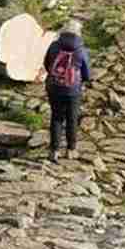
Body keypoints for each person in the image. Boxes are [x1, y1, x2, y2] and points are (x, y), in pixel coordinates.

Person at [42, 19, 93, 162]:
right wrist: (78, 81)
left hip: (54, 87)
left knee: (56, 117)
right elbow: (87, 74)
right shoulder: (81, 50)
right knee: (72, 118)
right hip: (73, 90)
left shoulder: (53, 46)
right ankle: (71, 150)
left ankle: (54, 151)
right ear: (78, 33)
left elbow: (47, 64)